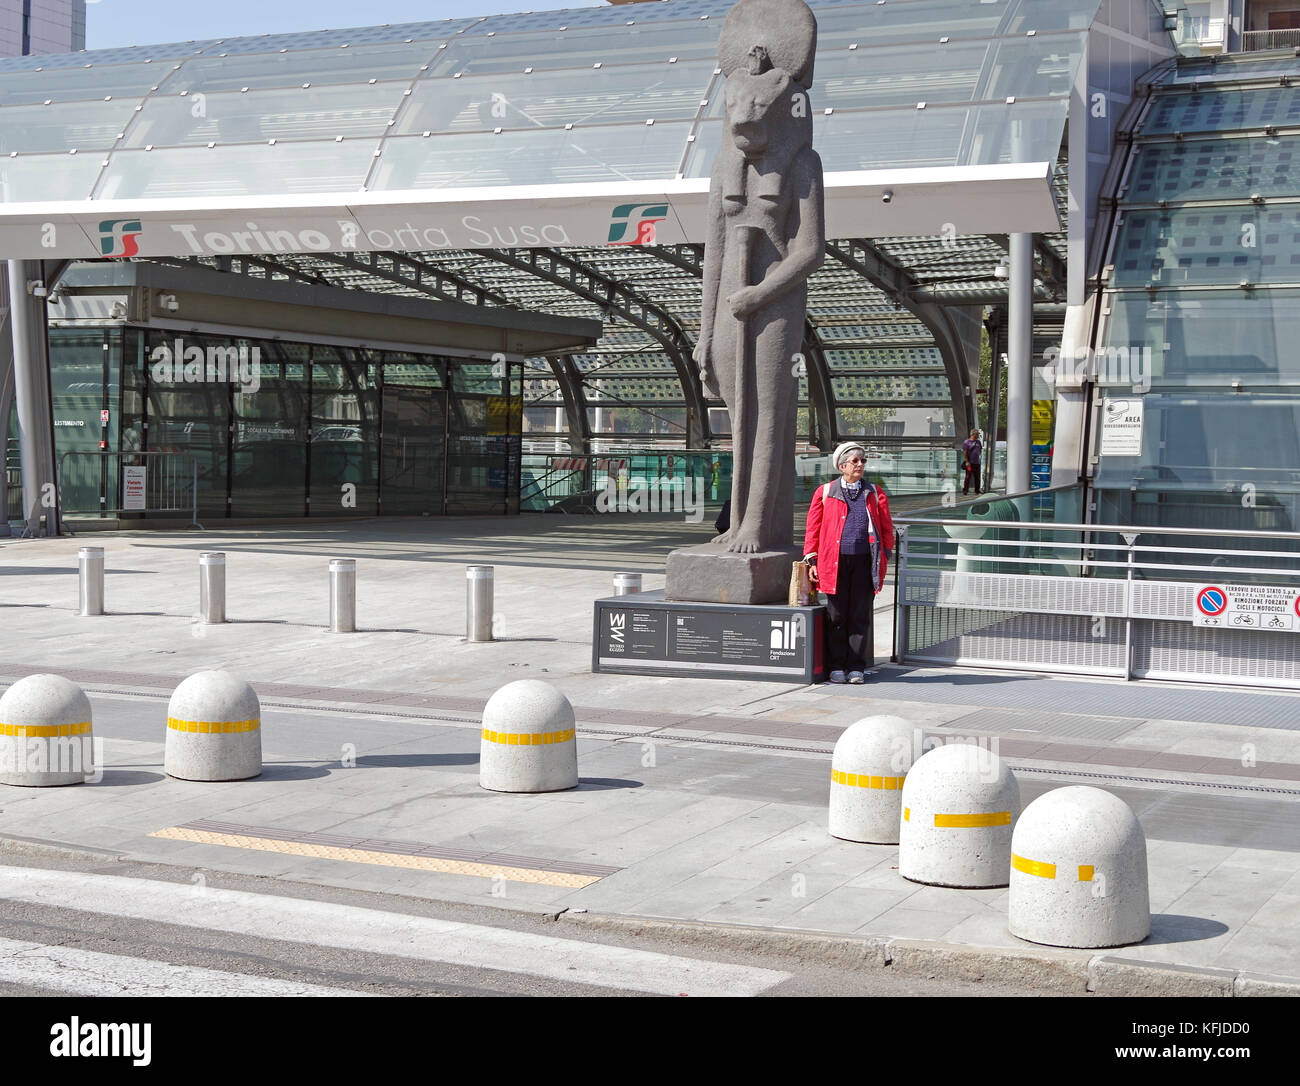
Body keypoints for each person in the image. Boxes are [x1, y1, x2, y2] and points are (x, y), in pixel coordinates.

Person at [803, 442, 894, 684]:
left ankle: (856, 667)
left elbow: (886, 529)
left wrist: (884, 553)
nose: (860, 465)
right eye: (855, 461)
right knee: (837, 615)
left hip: (865, 561)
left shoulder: (874, 493)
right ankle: (836, 667)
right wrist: (812, 559)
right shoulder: (825, 492)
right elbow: (812, 529)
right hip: (833, 562)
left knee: (859, 614)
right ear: (842, 466)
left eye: (863, 461)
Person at [961, 429, 982, 496]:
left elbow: (980, 450)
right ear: (973, 434)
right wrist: (967, 461)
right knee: (968, 477)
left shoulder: (978, 442)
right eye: (977, 434)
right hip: (970, 463)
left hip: (977, 463)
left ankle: (977, 491)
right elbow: (965, 452)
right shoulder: (966, 442)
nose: (978, 435)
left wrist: (978, 456)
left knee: (977, 477)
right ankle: (965, 490)